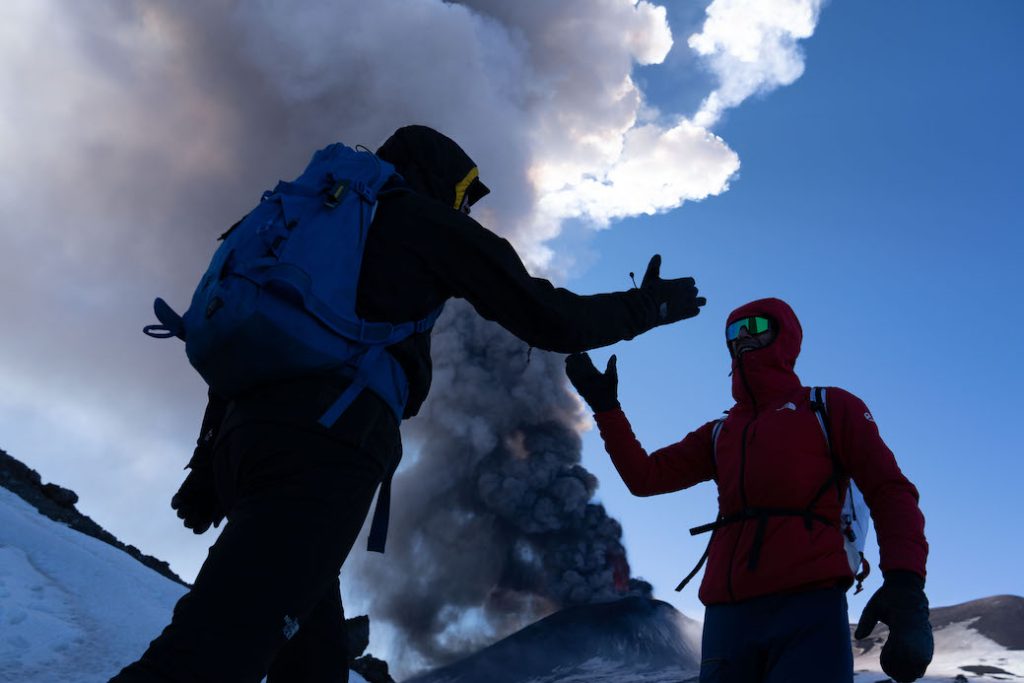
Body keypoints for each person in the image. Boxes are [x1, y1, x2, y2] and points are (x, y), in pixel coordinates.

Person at [110, 125, 706, 683]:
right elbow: (549, 316)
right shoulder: (421, 220)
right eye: (464, 197)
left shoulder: (308, 223)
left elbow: (250, 344)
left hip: (248, 444)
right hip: (326, 453)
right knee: (214, 649)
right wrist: (643, 308)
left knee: (312, 662)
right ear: (441, 179)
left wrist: (206, 468)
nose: (464, 211)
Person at [565, 297, 933, 683]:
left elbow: (891, 491)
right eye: (732, 332)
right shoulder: (721, 431)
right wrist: (607, 408)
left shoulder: (830, 407)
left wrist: (906, 585)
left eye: (754, 327)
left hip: (809, 606)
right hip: (729, 616)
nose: (740, 338)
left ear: (784, 335)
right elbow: (645, 478)